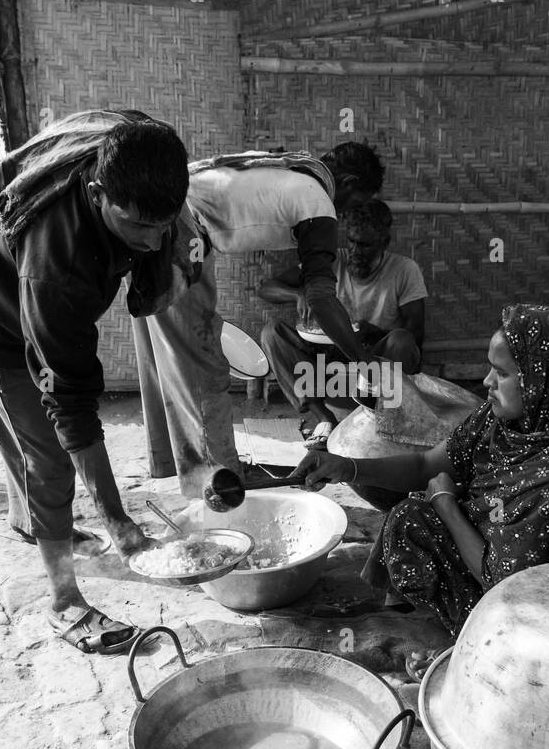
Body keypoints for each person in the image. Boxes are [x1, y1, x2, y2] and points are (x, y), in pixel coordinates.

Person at [0, 110, 207, 655]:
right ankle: (63, 602)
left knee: (38, 449)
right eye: (138, 226)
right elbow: (71, 402)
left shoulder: (139, 168)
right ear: (96, 192)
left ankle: (33, 521)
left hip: (28, 288)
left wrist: (156, 236)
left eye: (164, 224)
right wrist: (117, 519)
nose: (156, 241)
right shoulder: (56, 264)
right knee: (49, 455)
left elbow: (161, 229)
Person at [296, 304, 549, 645]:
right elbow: (427, 465)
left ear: (544, 380)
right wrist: (344, 467)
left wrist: (446, 504)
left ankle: (466, 643)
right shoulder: (502, 422)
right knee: (410, 515)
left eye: (502, 374)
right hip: (495, 566)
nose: (486, 382)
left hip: (531, 617)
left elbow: (505, 583)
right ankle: (420, 614)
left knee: (427, 512)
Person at [133, 142, 386, 495]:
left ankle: (173, 463)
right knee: (202, 359)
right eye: (355, 203)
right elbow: (321, 298)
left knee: (166, 354)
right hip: (178, 232)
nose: (346, 214)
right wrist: (361, 361)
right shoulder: (317, 199)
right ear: (347, 182)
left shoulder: (291, 172)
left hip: (152, 220)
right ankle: (218, 480)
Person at [258, 198, 426, 448]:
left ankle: (383, 419)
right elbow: (266, 288)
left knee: (401, 340)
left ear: (384, 243)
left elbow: (416, 335)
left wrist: (374, 332)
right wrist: (298, 293)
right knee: (272, 332)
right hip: (325, 372)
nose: (356, 251)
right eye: (352, 242)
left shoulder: (404, 270)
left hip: (371, 369)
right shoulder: (332, 262)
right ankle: (324, 418)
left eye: (365, 245)